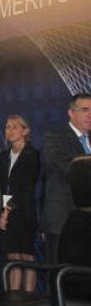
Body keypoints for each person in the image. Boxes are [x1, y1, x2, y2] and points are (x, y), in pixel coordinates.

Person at [42, 93, 91, 263]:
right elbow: (68, 167)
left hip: (87, 221)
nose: (89, 115)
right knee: (60, 275)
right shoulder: (55, 137)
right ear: (71, 113)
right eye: (85, 110)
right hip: (62, 220)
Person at [0, 115, 40, 291]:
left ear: (25, 131)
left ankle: (29, 298)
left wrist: (7, 211)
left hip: (25, 211)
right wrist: (2, 210)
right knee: (13, 256)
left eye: (15, 126)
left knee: (26, 256)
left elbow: (25, 187)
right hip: (6, 211)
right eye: (7, 127)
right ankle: (13, 297)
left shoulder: (32, 155)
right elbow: (0, 185)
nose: (10, 130)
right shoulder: (3, 157)